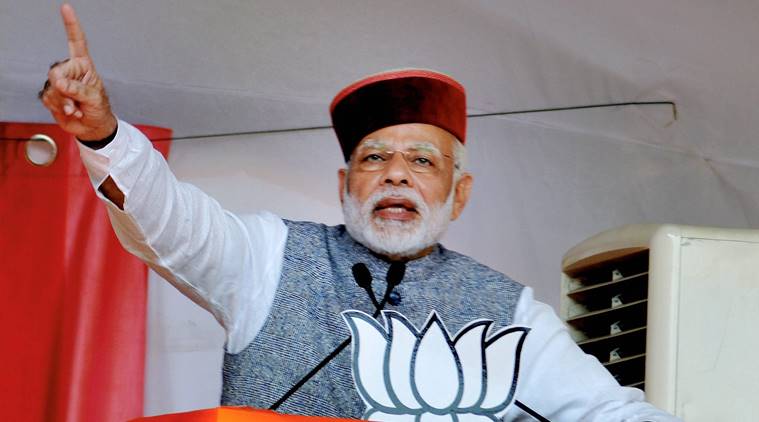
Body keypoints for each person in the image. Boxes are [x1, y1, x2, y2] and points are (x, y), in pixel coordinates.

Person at [40, 4, 680, 422]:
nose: (397, 171)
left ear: (460, 193)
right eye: (376, 157)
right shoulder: (270, 257)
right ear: (345, 182)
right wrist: (103, 136)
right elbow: (170, 224)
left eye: (423, 162)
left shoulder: (509, 311)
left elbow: (608, 413)